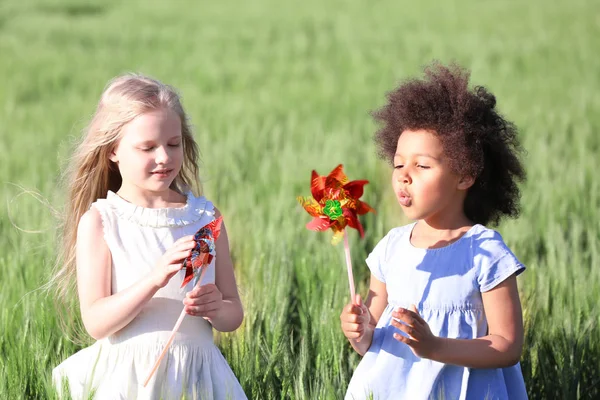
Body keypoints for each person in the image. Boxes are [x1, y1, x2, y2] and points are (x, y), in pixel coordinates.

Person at [51, 73, 247, 399]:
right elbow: (97, 322)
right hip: (130, 380)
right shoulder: (102, 221)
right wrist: (154, 279)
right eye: (147, 147)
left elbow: (233, 313)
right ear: (113, 149)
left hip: (197, 378)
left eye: (174, 144)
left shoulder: (205, 219)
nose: (164, 157)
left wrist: (216, 308)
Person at [340, 63, 528, 400]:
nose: (404, 175)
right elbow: (372, 338)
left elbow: (507, 345)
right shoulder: (391, 247)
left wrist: (435, 346)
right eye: (398, 164)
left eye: (422, 165)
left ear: (464, 175)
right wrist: (357, 331)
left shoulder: (484, 251)